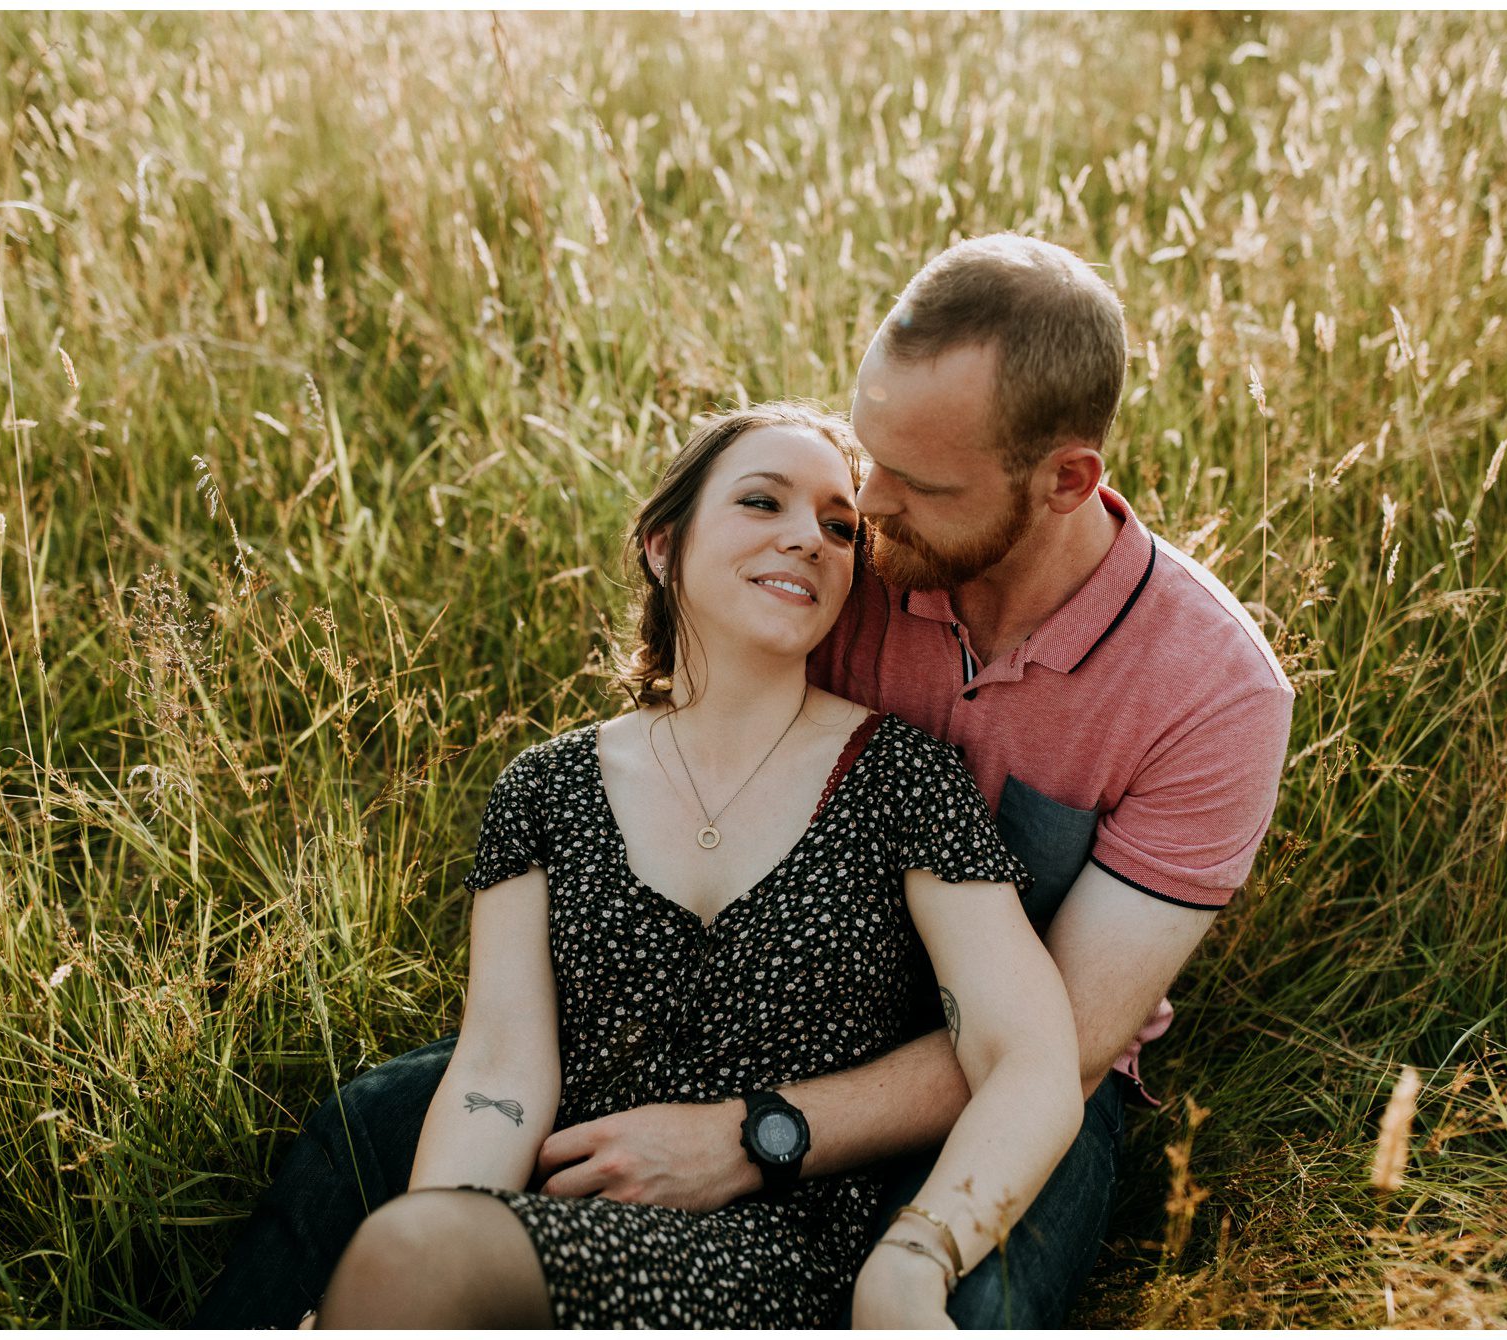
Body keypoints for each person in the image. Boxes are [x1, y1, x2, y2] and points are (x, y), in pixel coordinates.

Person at [192, 234, 1294, 1328]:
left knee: (968, 1304)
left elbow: (1050, 1044)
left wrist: (751, 1135)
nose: (858, 513)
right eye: (863, 459)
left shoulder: (1211, 695)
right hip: (713, 1016)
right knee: (369, 1130)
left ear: (1064, 482)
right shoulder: (849, 557)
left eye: (900, 487)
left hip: (997, 1057)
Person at [302, 403, 1083, 1327]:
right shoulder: (544, 788)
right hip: (552, 1236)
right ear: (663, 546)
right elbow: (500, 1071)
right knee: (411, 1252)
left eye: (840, 526)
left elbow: (1029, 1056)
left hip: (781, 1261)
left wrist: (910, 1261)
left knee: (411, 1257)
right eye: (763, 503)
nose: (809, 540)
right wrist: (442, 1249)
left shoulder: (903, 776)